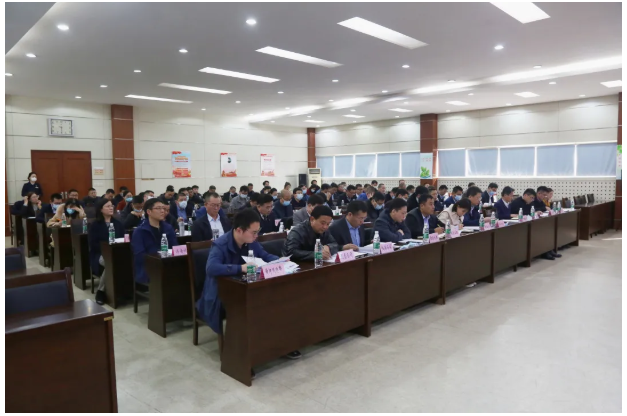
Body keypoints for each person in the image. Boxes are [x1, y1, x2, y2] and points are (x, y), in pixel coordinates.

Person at [197, 210, 301, 362]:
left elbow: (265, 256)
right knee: (253, 308)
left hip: (247, 288)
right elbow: (211, 268)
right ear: (239, 230)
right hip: (222, 293)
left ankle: (280, 345)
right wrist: (240, 268)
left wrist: (280, 260)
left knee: (278, 302)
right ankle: (245, 357)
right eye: (253, 232)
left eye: (257, 231)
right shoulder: (220, 244)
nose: (256, 236)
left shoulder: (251, 241)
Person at [131, 198, 177, 284]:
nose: (162, 211)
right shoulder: (140, 231)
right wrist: (158, 257)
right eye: (158, 208)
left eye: (163, 208)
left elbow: (175, 247)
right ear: (149, 212)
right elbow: (140, 256)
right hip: (148, 269)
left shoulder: (168, 228)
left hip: (168, 265)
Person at [88, 198, 124, 305]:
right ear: (101, 209)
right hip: (100, 254)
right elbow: (93, 243)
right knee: (111, 262)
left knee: (118, 261)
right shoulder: (95, 225)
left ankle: (123, 291)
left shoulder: (118, 223)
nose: (111, 208)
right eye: (108, 206)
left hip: (117, 253)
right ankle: (101, 292)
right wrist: (106, 249)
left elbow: (123, 238)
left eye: (112, 206)